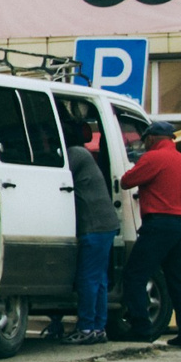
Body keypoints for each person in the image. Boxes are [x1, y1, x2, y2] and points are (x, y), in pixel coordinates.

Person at [120, 120, 181, 350]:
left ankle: (141, 329)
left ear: (152, 138)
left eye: (145, 140)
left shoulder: (153, 159)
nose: (144, 144)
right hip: (180, 226)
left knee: (135, 275)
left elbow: (127, 181)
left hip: (158, 225)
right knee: (178, 281)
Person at [66, 130, 119, 343]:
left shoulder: (75, 154)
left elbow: (55, 175)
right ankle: (98, 327)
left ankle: (87, 328)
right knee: (99, 279)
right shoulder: (84, 155)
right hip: (105, 225)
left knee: (88, 279)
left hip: (94, 226)